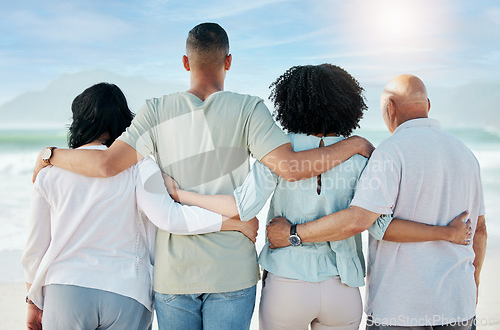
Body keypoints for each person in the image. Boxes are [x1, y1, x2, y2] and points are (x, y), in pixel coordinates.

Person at [31, 23, 375, 329]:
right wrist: (355, 144)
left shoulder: (155, 110)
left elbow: (106, 166)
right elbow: (290, 167)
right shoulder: (248, 108)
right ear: (228, 61)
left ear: (185, 62)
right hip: (232, 269)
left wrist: (50, 156)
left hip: (174, 273)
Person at [162, 65, 472, 330]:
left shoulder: (279, 152)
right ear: (348, 105)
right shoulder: (363, 157)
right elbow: (380, 227)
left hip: (287, 283)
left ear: (290, 103)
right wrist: (445, 233)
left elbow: (243, 207)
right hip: (343, 287)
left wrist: (180, 193)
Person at [22, 83, 257, 330]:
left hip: (66, 289)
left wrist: (33, 301)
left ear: (78, 122)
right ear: (125, 122)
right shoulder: (140, 166)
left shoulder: (50, 173)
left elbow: (34, 249)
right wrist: (229, 223)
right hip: (126, 292)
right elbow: (169, 218)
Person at [266, 74, 487, 330]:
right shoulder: (466, 154)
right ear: (427, 105)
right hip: (458, 303)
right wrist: (474, 284)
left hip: (401, 308)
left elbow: (359, 221)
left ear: (389, 107)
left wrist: (292, 234)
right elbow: (479, 230)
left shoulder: (391, 152)